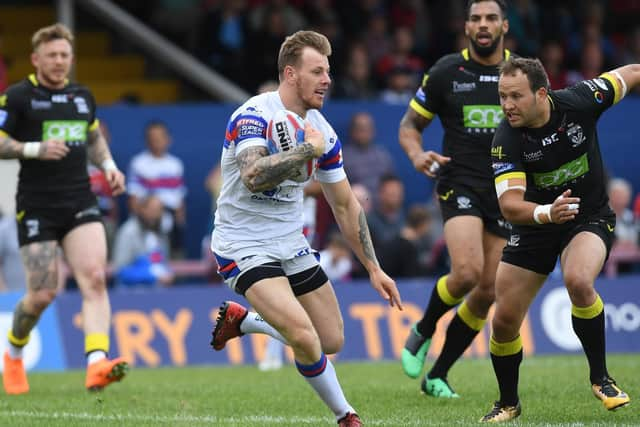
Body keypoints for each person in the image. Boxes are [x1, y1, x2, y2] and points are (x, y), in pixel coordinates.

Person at [209, 30, 402, 427]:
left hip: (290, 243)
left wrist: (373, 267)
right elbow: (252, 175)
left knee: (330, 340)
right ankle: (346, 415)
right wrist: (305, 151)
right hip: (243, 244)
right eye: (318, 72)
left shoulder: (323, 131)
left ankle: (243, 322)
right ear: (291, 74)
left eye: (328, 71)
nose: (327, 80)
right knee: (303, 335)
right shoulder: (253, 115)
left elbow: (345, 204)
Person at [480, 57, 639, 422]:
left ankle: (601, 379)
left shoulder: (581, 100)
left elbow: (632, 73)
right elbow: (509, 205)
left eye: (515, 96)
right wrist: (546, 212)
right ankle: (508, 403)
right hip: (536, 225)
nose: (507, 106)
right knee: (503, 319)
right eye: (502, 97)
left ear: (541, 93)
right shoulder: (506, 137)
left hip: (588, 216)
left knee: (579, 280)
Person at [0, 24, 128, 393]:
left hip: (80, 201)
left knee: (95, 277)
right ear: (35, 58)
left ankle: (96, 364)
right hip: (37, 206)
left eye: (64, 55)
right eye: (52, 55)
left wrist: (108, 166)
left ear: (71, 59)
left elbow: (91, 137)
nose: (59, 61)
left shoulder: (82, 96)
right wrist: (32, 148)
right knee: (42, 295)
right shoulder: (19, 97)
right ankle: (13, 351)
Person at [397, 0, 512, 398]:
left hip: (506, 191)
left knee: (488, 291)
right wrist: (416, 154)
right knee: (465, 272)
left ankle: (438, 374)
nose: (483, 25)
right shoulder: (447, 71)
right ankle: (422, 330)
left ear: (504, 26)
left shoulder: (521, 73)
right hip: (459, 182)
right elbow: (410, 125)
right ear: (466, 27)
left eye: (491, 18)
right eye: (476, 19)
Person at [127, 120, 187, 258]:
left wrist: (180, 222)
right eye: (153, 138)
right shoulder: (138, 163)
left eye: (160, 138)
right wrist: (141, 223)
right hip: (147, 218)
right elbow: (133, 199)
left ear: (168, 140)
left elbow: (179, 199)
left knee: (176, 253)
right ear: (147, 141)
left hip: (170, 217)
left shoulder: (175, 165)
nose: (156, 142)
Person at [112, 195, 174, 288]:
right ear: (142, 209)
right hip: (130, 293)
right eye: (152, 210)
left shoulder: (161, 232)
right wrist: (150, 275)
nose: (156, 214)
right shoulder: (128, 232)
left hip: (158, 293)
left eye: (159, 210)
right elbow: (120, 270)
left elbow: (163, 263)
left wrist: (168, 273)